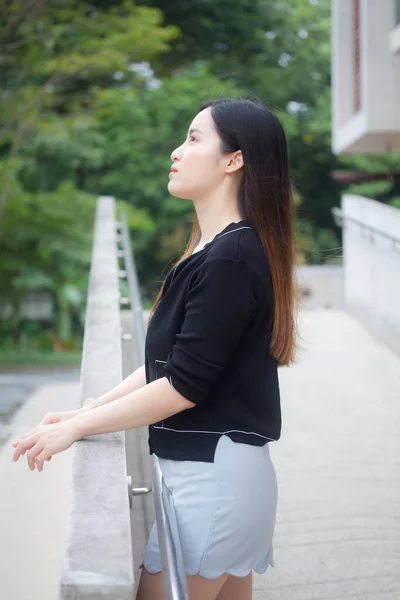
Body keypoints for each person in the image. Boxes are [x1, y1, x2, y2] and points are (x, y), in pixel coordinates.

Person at [11, 97, 299, 600]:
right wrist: (88, 410)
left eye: (192, 138)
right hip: (217, 476)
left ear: (234, 160)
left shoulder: (230, 257)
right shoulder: (215, 251)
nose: (176, 151)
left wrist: (81, 426)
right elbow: (162, 367)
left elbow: (182, 386)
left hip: (210, 480)